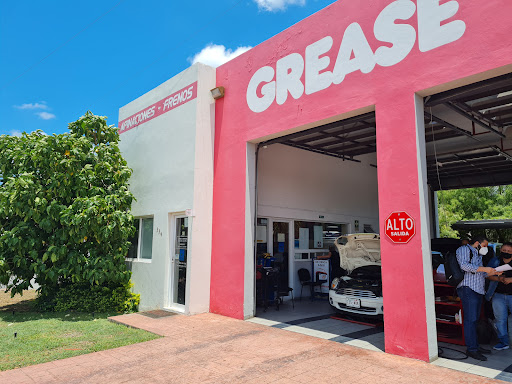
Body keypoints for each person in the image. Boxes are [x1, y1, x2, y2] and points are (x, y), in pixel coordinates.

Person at [456, 236, 501, 361]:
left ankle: (475, 345)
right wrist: (484, 269)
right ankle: (472, 349)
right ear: (477, 243)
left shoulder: (477, 254)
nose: (486, 248)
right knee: (470, 320)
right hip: (468, 289)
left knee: (475, 320)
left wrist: (493, 272)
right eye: (485, 245)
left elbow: (481, 273)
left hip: (477, 289)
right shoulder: (464, 249)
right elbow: (464, 266)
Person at [485, 242, 512, 351]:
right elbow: (487, 275)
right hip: (498, 295)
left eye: (509, 251)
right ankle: (504, 342)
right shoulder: (495, 261)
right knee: (500, 320)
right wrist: (499, 279)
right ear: (500, 250)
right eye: (504, 250)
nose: (506, 252)